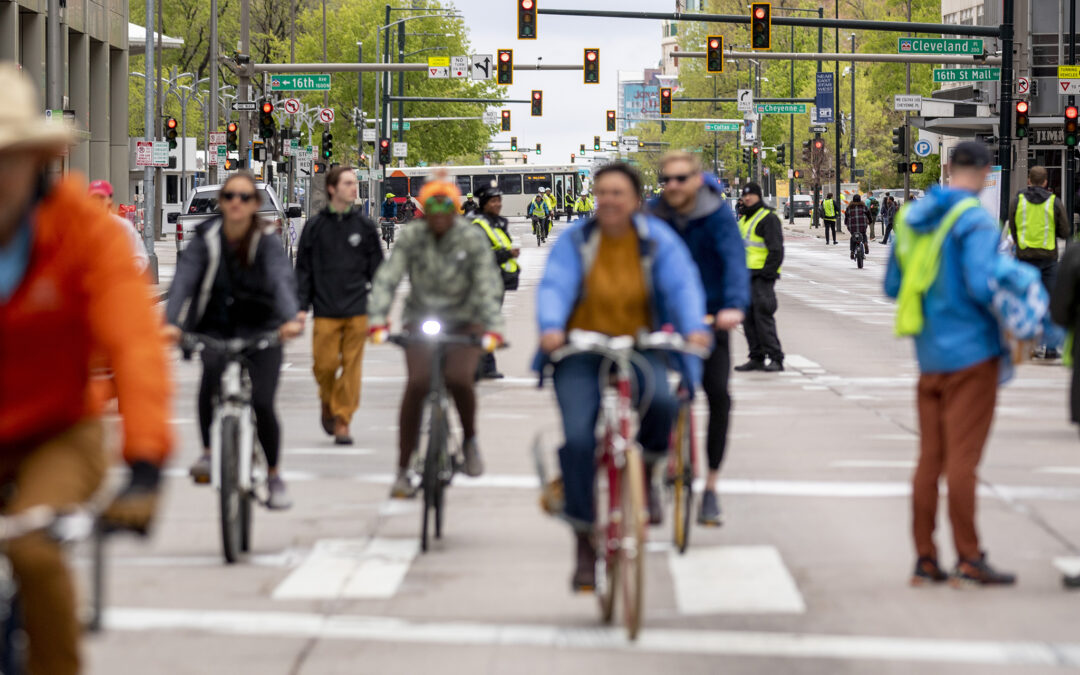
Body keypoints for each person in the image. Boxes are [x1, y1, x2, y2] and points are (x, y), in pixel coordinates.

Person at [0, 63, 172, 675]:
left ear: (34, 161)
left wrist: (146, 463)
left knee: (31, 547)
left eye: (6, 160)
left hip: (58, 429)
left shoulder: (87, 235)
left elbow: (134, 343)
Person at [536, 162, 709, 591]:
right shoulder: (578, 240)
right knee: (578, 440)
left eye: (619, 193)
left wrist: (694, 327)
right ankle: (583, 542)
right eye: (603, 192)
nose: (609, 200)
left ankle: (648, 471)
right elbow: (555, 284)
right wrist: (552, 327)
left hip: (639, 344)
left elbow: (682, 285)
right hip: (580, 349)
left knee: (664, 403)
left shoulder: (656, 241)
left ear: (635, 199)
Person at [885, 141, 1017, 587]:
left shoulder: (911, 219)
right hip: (973, 353)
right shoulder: (976, 221)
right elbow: (984, 286)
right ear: (983, 172)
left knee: (930, 460)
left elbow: (892, 283)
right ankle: (969, 556)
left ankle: (924, 557)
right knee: (963, 461)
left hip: (929, 353)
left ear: (947, 168)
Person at [165, 172, 303, 509]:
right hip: (216, 326)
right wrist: (169, 321)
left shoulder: (267, 241)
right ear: (221, 203)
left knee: (263, 403)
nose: (236, 203)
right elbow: (184, 280)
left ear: (256, 205)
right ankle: (209, 454)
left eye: (244, 197)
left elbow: (281, 280)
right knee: (210, 375)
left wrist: (290, 317)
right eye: (229, 197)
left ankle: (273, 475)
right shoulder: (205, 238)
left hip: (263, 328)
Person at [367, 175, 505, 499]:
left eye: (447, 205)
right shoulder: (412, 236)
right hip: (420, 320)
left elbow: (487, 282)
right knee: (417, 384)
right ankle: (403, 469)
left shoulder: (470, 238)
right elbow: (388, 278)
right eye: (433, 205)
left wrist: (493, 327)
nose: (440, 212)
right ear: (424, 209)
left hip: (464, 322)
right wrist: (377, 319)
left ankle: (470, 440)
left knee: (459, 379)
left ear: (456, 208)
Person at [648, 152, 750, 526]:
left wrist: (734, 306)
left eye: (680, 178)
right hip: (661, 318)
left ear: (696, 179)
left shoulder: (717, 214)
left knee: (719, 396)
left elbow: (734, 261)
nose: (672, 186)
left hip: (709, 318)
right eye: (666, 180)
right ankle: (648, 474)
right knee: (650, 395)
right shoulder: (652, 214)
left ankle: (710, 486)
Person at [295, 166, 385, 444]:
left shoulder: (365, 227)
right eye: (347, 183)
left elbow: (378, 272)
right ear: (332, 188)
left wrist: (380, 309)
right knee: (323, 367)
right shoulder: (315, 227)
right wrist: (300, 308)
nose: (353, 187)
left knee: (351, 368)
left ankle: (343, 419)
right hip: (325, 311)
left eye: (354, 183)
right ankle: (327, 400)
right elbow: (303, 272)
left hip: (357, 310)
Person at [1008, 165, 1070, 359]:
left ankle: (1030, 348)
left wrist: (1020, 244)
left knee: (1028, 302)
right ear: (1045, 182)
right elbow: (1065, 232)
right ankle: (1051, 348)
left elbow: (1013, 226)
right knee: (1050, 303)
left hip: (1024, 258)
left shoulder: (1017, 201)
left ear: (1029, 180)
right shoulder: (1054, 202)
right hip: (1048, 260)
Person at [734, 183, 786, 372]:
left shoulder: (767, 218)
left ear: (758, 196)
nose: (747, 198)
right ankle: (756, 357)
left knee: (763, 316)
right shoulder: (744, 220)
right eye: (745, 195)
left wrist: (768, 273)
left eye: (751, 195)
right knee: (748, 319)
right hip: (744, 276)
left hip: (761, 277)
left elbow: (776, 249)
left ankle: (776, 357)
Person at [472, 183, 520, 380]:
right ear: (483, 203)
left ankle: (483, 365)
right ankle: (483, 366)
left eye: (499, 200)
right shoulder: (478, 224)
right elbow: (478, 256)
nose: (498, 204)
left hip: (496, 281)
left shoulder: (495, 222)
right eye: (493, 201)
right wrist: (506, 254)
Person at [88, 179, 150, 275]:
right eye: (94, 198)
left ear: (109, 199)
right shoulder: (80, 227)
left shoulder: (123, 226)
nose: (97, 202)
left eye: (101, 197)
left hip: (116, 284)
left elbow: (140, 257)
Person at [845, 193, 872, 260]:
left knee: (853, 237)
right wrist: (870, 221)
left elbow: (846, 217)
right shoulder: (864, 207)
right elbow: (869, 215)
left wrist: (846, 223)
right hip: (862, 225)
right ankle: (865, 243)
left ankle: (852, 251)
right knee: (863, 235)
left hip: (853, 227)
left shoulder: (849, 208)